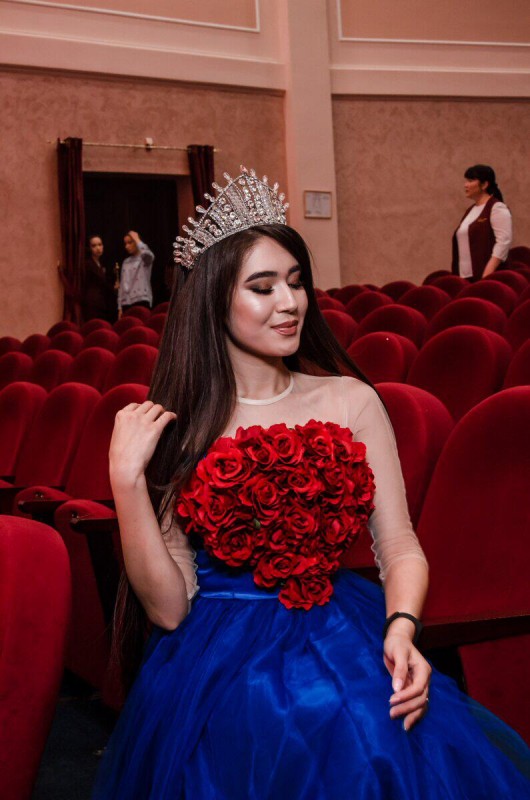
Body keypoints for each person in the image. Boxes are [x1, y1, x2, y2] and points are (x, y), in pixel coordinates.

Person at [93, 168, 530, 799]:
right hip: (215, 657)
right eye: (263, 287)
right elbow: (168, 608)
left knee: (357, 736)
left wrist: (402, 626)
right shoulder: (178, 425)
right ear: (213, 298)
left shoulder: (350, 399)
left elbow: (398, 544)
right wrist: (126, 480)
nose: (291, 302)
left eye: (296, 282)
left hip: (335, 630)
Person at [451, 164, 512, 281]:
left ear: (484, 185)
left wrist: (487, 275)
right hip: (466, 278)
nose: (465, 185)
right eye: (466, 181)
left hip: (488, 278)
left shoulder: (497, 207)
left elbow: (503, 242)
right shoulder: (470, 210)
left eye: (470, 181)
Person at [81, 234, 116, 322]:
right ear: (89, 248)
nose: (98, 248)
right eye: (94, 246)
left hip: (101, 302)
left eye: (100, 244)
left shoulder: (101, 263)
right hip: (93, 303)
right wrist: (113, 287)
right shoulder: (88, 264)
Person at [118, 230, 154, 314]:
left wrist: (137, 240)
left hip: (141, 300)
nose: (127, 246)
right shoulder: (126, 262)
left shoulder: (144, 259)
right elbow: (122, 285)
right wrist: (119, 307)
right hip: (126, 302)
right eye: (125, 243)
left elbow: (149, 255)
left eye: (130, 242)